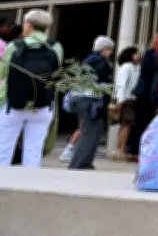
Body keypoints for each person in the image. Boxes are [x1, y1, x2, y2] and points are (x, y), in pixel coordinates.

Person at [0, 9, 62, 167]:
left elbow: (3, 73)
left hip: (13, 104)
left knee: (4, 149)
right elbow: (57, 73)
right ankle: (30, 180)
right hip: (43, 105)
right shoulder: (55, 47)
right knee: (34, 150)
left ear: (28, 24)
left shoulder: (14, 46)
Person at [67, 36, 115, 170]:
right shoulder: (101, 62)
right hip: (90, 99)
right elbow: (102, 83)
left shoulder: (89, 60)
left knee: (93, 130)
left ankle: (85, 162)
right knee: (89, 133)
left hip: (81, 98)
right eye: (110, 49)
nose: (110, 52)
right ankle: (78, 164)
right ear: (104, 49)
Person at [128, 34, 158, 157]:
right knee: (144, 122)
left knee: (142, 122)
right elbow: (150, 73)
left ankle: (136, 149)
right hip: (146, 93)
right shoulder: (153, 55)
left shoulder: (149, 54)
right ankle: (136, 150)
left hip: (145, 92)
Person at [111, 46, 141, 162]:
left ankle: (119, 150)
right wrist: (121, 100)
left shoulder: (133, 67)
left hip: (128, 98)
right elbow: (122, 84)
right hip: (127, 99)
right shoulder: (128, 67)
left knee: (124, 125)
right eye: (137, 53)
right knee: (126, 125)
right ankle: (121, 150)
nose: (139, 56)